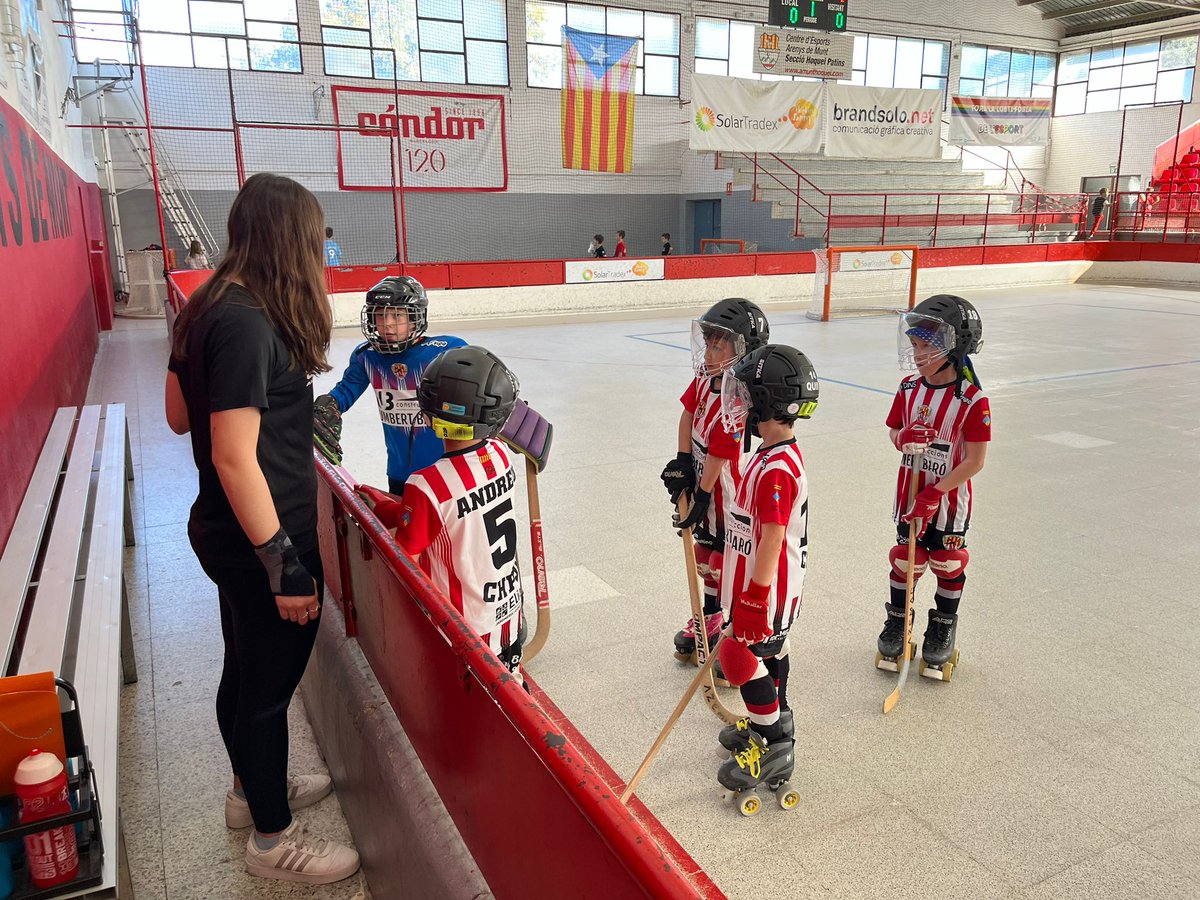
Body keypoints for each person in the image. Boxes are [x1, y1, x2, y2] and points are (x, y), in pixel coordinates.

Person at [164, 173, 360, 884]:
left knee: (246, 669)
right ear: (292, 240)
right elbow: (230, 454)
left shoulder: (206, 303)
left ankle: (252, 793)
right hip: (261, 545)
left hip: (223, 533)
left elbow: (178, 413)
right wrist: (287, 565)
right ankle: (273, 843)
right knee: (268, 688)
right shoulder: (248, 322)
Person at [357, 347, 525, 676]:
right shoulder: (501, 454)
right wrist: (392, 509)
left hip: (465, 631)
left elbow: (407, 564)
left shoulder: (426, 485)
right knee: (511, 685)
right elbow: (453, 514)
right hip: (508, 611)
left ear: (432, 417)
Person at [710, 344, 819, 800]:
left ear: (768, 403)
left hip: (767, 592)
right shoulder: (768, 454)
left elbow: (773, 537)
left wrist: (754, 597)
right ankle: (777, 717)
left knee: (738, 657)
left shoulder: (777, 469)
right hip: (759, 587)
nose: (740, 404)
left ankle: (771, 741)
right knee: (770, 656)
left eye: (748, 396)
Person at [876, 294, 990, 679]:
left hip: (947, 503)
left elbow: (975, 461)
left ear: (955, 347)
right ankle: (897, 621)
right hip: (908, 495)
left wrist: (934, 493)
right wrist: (903, 436)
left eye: (927, 346)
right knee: (905, 559)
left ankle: (942, 626)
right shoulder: (909, 388)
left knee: (946, 562)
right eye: (915, 345)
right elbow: (893, 431)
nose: (918, 353)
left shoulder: (972, 400)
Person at [661, 299, 769, 664]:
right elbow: (687, 414)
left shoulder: (738, 392)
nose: (708, 353)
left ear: (742, 350)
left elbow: (724, 448)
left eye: (717, 346)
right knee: (704, 554)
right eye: (707, 344)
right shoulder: (705, 378)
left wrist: (703, 492)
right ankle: (708, 618)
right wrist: (682, 462)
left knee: (728, 561)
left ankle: (735, 627)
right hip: (701, 475)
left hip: (727, 492)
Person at [312, 276, 466, 493]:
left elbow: (479, 393)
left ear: (415, 318)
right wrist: (329, 404)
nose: (388, 324)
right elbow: (346, 390)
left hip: (445, 471)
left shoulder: (445, 351)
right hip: (399, 473)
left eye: (398, 315)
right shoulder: (367, 356)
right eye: (380, 315)